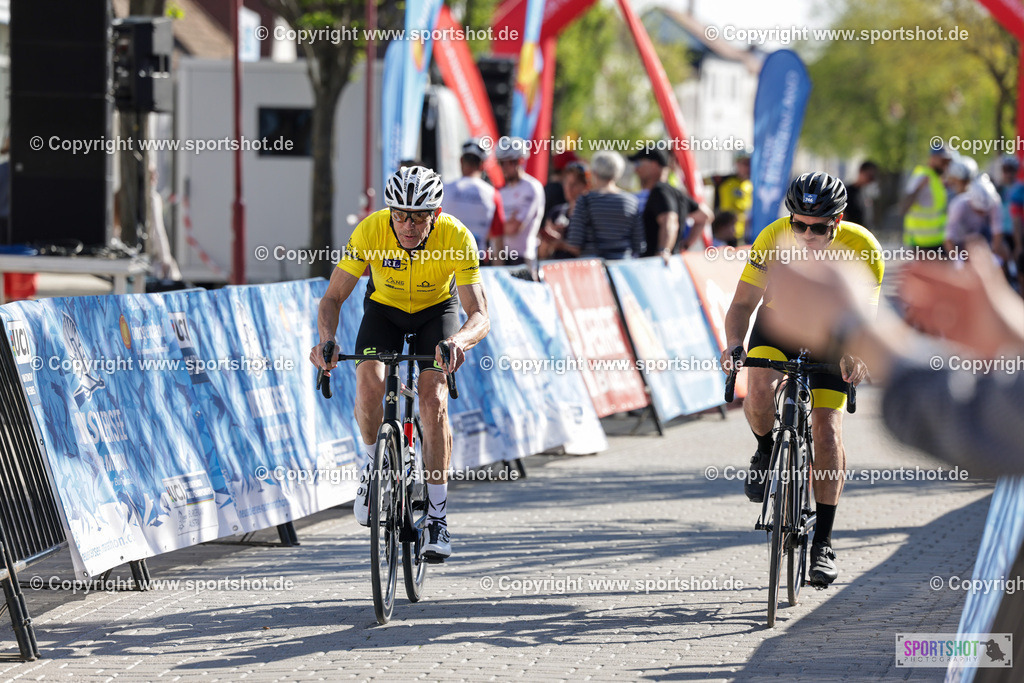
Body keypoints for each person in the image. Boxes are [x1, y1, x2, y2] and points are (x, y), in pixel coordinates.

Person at [309, 166, 490, 561]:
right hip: (385, 312)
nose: (407, 225)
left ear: (435, 215)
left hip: (436, 313)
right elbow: (333, 298)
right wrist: (326, 340)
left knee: (433, 399)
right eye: (400, 215)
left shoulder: (457, 237)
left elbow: (479, 314)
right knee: (369, 384)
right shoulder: (371, 230)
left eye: (419, 216)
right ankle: (374, 468)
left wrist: (458, 341)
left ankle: (438, 516)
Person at [719, 172, 884, 588]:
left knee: (826, 432)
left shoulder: (863, 247)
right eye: (799, 224)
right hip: (780, 323)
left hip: (835, 332)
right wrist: (735, 345)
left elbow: (866, 321)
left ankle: (823, 542)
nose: (807, 234)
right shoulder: (772, 238)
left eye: (819, 226)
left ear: (839, 220)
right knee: (757, 387)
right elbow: (741, 305)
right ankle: (764, 449)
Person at [555, 151, 642, 260]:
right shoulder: (631, 201)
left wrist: (558, 243)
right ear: (618, 173)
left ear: (594, 173)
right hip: (622, 267)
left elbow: (575, 245)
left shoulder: (585, 200)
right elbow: (639, 244)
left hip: (593, 269)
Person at [630, 145, 705, 264]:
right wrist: (684, 246)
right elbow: (705, 216)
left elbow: (669, 220)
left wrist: (663, 250)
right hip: (671, 261)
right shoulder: (675, 192)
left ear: (654, 165)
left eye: (639, 164)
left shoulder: (659, 190)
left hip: (655, 264)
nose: (636, 169)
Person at [442, 139, 506, 264]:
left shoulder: (444, 189)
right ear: (483, 165)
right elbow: (498, 239)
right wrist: (499, 268)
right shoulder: (493, 194)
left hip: (444, 260)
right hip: (477, 261)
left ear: (461, 161)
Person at [495, 137, 545, 272]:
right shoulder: (500, 191)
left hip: (523, 258)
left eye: (509, 162)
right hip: (501, 257)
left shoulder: (531, 187)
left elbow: (513, 228)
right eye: (501, 163)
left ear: (520, 160)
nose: (504, 168)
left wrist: (496, 227)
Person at [901, 142, 953, 253]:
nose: (946, 165)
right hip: (920, 243)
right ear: (933, 159)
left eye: (948, 162)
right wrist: (918, 188)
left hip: (938, 241)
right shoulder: (922, 176)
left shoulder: (936, 178)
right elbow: (903, 207)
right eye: (943, 161)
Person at [539, 161, 590, 260]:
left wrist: (562, 244)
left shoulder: (590, 213)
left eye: (574, 184)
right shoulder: (556, 212)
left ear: (585, 186)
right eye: (566, 183)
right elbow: (542, 253)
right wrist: (549, 239)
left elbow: (587, 250)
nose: (569, 188)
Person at [944, 173, 1003, 256]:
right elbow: (949, 237)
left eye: (985, 211)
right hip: (960, 239)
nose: (983, 214)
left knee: (1003, 249)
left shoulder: (994, 202)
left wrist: (995, 256)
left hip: (982, 236)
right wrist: (956, 258)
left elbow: (997, 231)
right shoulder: (958, 205)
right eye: (979, 211)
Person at [710, 149, 753, 244]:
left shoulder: (752, 185)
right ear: (737, 164)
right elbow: (696, 181)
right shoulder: (722, 180)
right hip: (720, 234)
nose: (748, 167)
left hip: (740, 236)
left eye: (750, 164)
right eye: (744, 163)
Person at [843, 160, 878, 227]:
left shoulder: (866, 193)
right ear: (861, 172)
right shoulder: (847, 192)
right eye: (869, 176)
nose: (870, 180)